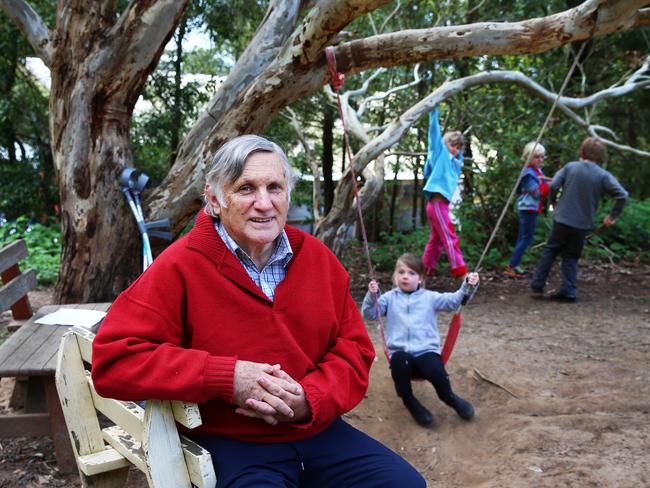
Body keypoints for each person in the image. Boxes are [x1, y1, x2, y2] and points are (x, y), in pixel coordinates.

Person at [92, 135, 425, 487]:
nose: (264, 203)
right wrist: (227, 378)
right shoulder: (180, 266)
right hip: (229, 440)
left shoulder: (318, 260)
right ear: (215, 199)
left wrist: (309, 400)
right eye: (246, 188)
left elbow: (354, 350)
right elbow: (115, 360)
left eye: (275, 187)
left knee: (404, 484)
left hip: (316, 431)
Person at [361, 253, 479, 427]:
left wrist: (468, 285)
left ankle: (449, 397)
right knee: (399, 362)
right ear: (395, 276)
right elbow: (369, 314)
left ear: (421, 279)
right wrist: (372, 296)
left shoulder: (430, 298)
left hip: (426, 351)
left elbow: (455, 301)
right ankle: (409, 401)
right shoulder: (388, 299)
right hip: (400, 353)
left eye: (411, 273)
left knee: (435, 370)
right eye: (401, 272)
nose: (405, 276)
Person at [530, 137, 628, 302]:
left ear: (581, 152)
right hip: (582, 223)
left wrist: (553, 201)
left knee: (551, 250)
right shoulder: (603, 175)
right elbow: (622, 195)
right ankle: (569, 290)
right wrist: (612, 216)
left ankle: (538, 285)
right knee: (571, 255)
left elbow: (554, 185)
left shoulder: (570, 167)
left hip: (562, 218)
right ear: (600, 156)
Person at [421, 106, 469, 279]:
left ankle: (423, 273)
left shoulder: (455, 165)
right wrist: (433, 110)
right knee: (450, 236)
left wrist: (459, 143)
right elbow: (434, 134)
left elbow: (460, 154)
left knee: (436, 242)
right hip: (436, 203)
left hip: (441, 206)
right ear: (444, 143)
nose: (454, 149)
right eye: (452, 144)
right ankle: (461, 271)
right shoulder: (439, 154)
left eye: (458, 146)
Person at [504, 142, 551, 278]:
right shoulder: (528, 174)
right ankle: (512, 266)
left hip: (532, 208)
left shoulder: (538, 172)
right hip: (528, 208)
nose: (540, 160)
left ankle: (515, 264)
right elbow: (536, 192)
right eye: (537, 157)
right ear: (528, 157)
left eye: (542, 157)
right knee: (526, 238)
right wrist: (550, 185)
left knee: (523, 237)